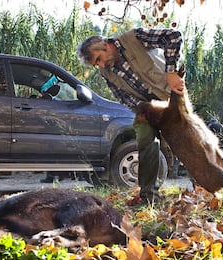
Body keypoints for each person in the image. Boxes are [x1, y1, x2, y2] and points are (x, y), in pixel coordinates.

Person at [77, 28, 185, 204]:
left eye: (99, 59)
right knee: (144, 138)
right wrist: (143, 109)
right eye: (97, 65)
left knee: (188, 143)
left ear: (105, 45)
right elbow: (123, 97)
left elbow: (173, 36)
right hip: (147, 108)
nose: (102, 66)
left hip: (172, 97)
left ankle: (206, 187)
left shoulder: (135, 38)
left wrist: (171, 72)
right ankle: (149, 197)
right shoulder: (107, 72)